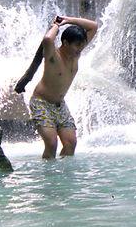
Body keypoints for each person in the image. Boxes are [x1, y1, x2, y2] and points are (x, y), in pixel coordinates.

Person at [14, 15, 99, 159]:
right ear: (65, 43)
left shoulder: (75, 54)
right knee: (52, 144)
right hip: (41, 103)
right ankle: (49, 176)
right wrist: (56, 26)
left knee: (70, 143)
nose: (80, 49)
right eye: (77, 45)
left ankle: (63, 176)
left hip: (60, 106)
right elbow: (48, 39)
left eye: (82, 45)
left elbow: (93, 26)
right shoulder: (53, 55)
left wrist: (67, 20)